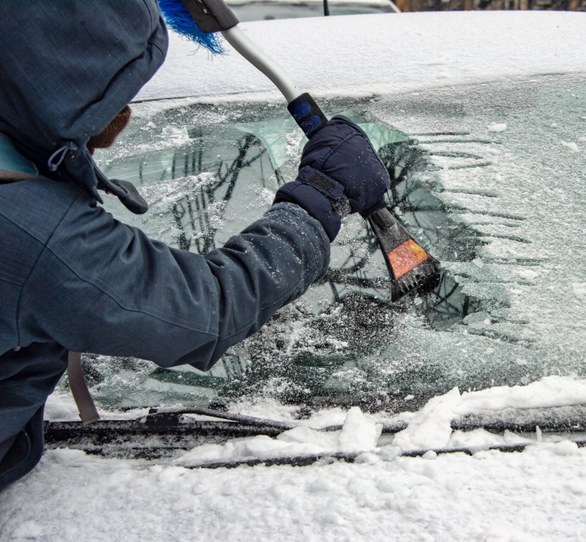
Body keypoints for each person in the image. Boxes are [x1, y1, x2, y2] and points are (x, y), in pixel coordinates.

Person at [0, 0, 390, 490]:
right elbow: (209, 308)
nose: (126, 110)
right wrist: (321, 198)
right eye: (113, 90)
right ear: (63, 86)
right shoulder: (31, 228)